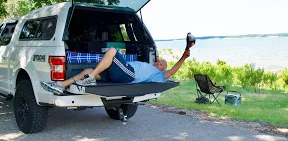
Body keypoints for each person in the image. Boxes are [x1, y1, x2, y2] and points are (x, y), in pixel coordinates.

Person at [41, 47, 191, 95]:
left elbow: (171, 72)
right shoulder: (148, 64)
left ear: (162, 69)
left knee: (112, 50)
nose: (159, 63)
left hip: (129, 74)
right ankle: (60, 85)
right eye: (159, 62)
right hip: (124, 71)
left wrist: (184, 56)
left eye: (162, 64)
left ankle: (90, 77)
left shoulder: (158, 75)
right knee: (88, 69)